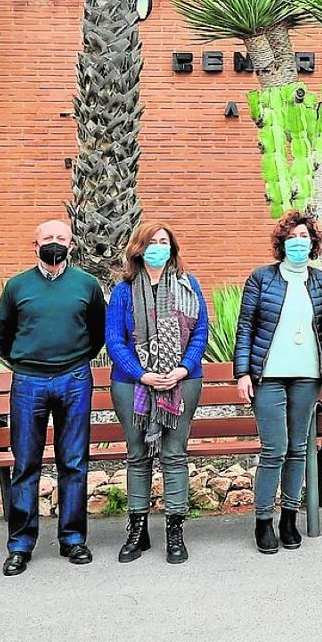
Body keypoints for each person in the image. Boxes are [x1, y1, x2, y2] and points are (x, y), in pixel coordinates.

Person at [0, 219, 106, 576]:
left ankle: (72, 539)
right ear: (35, 245)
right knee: (26, 463)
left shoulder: (86, 285)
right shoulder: (17, 286)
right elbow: (4, 335)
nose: (54, 243)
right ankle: (20, 545)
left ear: (71, 245)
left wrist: (74, 360)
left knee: (73, 461)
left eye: (61, 238)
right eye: (47, 238)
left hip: (74, 378)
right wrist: (27, 362)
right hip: (29, 381)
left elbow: (97, 333)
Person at [105, 222, 210, 564]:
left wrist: (182, 368)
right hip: (132, 383)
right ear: (138, 248)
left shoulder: (188, 285)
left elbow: (200, 332)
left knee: (174, 454)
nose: (158, 247)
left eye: (164, 242)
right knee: (138, 454)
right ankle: (137, 531)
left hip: (182, 380)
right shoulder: (124, 291)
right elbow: (114, 340)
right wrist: (143, 374)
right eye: (152, 242)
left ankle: (175, 532)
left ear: (172, 249)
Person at [234, 210, 322, 555]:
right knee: (274, 449)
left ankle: (289, 518)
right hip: (268, 376)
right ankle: (263, 519)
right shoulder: (261, 278)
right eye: (291, 237)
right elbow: (245, 327)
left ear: (313, 243)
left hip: (307, 376)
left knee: (297, 449)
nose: (298, 243)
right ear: (282, 243)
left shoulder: (321, 281)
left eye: (304, 237)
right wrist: (243, 372)